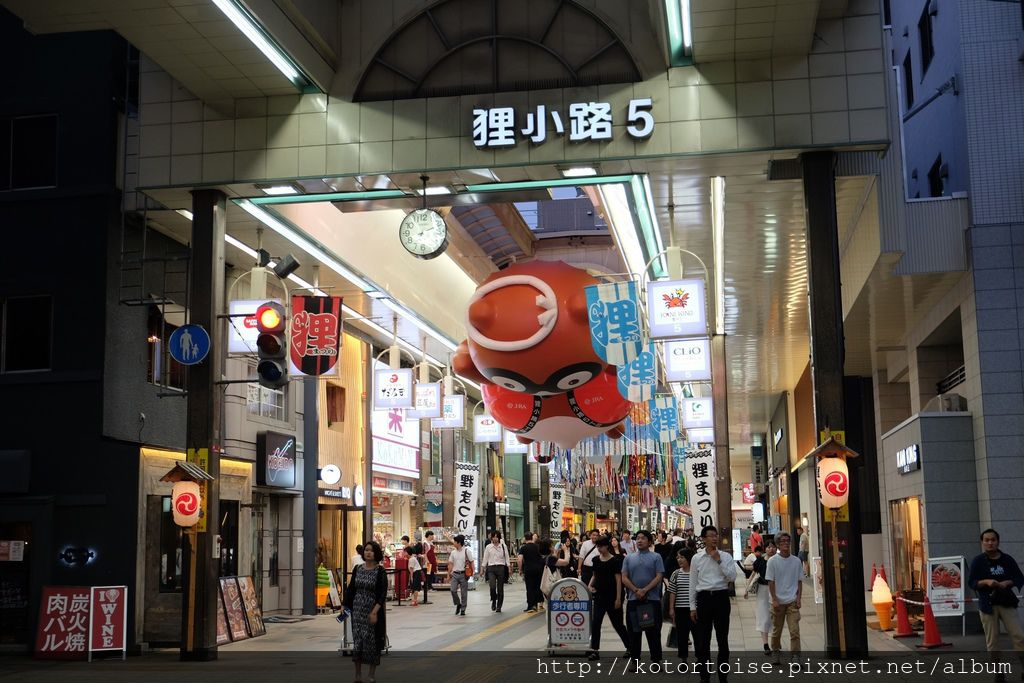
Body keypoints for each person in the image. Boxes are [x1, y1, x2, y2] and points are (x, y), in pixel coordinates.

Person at [967, 528, 1024, 676]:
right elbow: (972, 582)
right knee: (993, 641)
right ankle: (998, 673)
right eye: (987, 540)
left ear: (998, 541)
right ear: (982, 542)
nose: (990, 543)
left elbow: (1019, 578)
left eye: (993, 540)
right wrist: (986, 581)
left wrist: (1008, 582)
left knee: (1019, 636)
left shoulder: (1007, 559)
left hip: (1007, 601)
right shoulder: (978, 561)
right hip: (987, 604)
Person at [689, 525, 736, 683]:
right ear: (703, 539)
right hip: (704, 599)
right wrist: (692, 607)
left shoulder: (725, 556)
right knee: (703, 640)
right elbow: (693, 583)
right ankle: (705, 678)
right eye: (710, 535)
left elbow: (732, 577)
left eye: (715, 535)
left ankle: (723, 677)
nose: (714, 538)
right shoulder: (697, 558)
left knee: (723, 640)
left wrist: (719, 561)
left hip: (721, 598)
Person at [344, 540, 388, 683]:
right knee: (358, 642)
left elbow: (382, 593)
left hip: (372, 611)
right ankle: (357, 674)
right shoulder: (358, 568)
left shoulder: (380, 571)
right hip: (357, 610)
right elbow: (351, 589)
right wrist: (344, 606)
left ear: (376, 553)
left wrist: (375, 612)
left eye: (371, 550)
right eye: (366, 550)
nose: (368, 552)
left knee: (372, 642)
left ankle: (371, 674)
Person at [621, 530, 665, 662]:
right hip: (634, 600)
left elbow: (659, 576)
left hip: (652, 600)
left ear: (650, 541)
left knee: (653, 632)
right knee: (634, 632)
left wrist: (645, 590)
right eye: (638, 538)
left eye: (643, 538)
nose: (639, 541)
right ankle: (635, 660)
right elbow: (624, 577)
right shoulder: (629, 558)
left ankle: (656, 661)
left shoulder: (656, 557)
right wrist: (636, 590)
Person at [586, 535, 630, 660]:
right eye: (597, 546)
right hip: (599, 596)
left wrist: (618, 599)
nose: (599, 549)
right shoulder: (595, 560)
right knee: (596, 623)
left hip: (612, 597)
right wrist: (589, 586)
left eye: (601, 546)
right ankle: (595, 650)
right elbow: (595, 575)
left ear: (607, 546)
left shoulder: (615, 560)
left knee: (618, 624)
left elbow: (618, 580)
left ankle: (630, 647)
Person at [766, 532, 803, 658]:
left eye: (787, 540)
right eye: (782, 541)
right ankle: (775, 651)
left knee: (795, 631)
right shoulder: (772, 561)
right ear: (777, 544)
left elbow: (799, 581)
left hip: (792, 601)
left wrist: (798, 598)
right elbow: (771, 581)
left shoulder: (796, 561)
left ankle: (796, 655)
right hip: (777, 602)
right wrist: (774, 599)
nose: (786, 543)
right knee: (777, 631)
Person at [744, 542, 776, 655]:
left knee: (776, 617)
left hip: (776, 590)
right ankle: (766, 644)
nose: (771, 549)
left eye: (773, 547)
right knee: (763, 616)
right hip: (763, 590)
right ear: (765, 549)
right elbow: (753, 574)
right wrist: (746, 589)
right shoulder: (761, 561)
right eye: (768, 547)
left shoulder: (778, 561)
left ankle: (776, 640)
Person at [667, 547, 695, 663]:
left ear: (688, 558)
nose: (679, 560)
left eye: (682, 557)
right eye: (678, 557)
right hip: (680, 609)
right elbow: (672, 592)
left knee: (698, 635)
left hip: (694, 609)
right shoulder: (676, 573)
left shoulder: (696, 573)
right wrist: (671, 608)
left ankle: (700, 658)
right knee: (682, 635)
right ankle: (683, 659)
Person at [482, 531, 510, 612]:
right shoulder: (488, 547)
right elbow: (485, 558)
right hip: (491, 568)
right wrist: (482, 568)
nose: (495, 538)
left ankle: (499, 606)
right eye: (493, 537)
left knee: (500, 588)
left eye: (496, 537)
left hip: (501, 568)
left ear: (499, 537)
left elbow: (507, 557)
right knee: (492, 586)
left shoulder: (503, 546)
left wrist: (508, 567)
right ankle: (494, 600)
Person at [446, 534, 474, 616]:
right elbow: (450, 564)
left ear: (459, 543)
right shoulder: (453, 552)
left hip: (464, 574)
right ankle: (458, 604)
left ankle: (463, 609)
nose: (453, 543)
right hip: (455, 574)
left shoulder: (467, 551)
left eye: (455, 542)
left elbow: (471, 561)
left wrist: (473, 571)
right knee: (453, 590)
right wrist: (448, 575)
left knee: (463, 593)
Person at [519, 532, 545, 612]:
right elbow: (543, 557)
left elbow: (520, 559)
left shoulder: (523, 548)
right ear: (531, 537)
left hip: (528, 570)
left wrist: (520, 570)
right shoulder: (537, 547)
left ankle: (530, 606)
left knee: (529, 587)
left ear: (525, 538)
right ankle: (536, 605)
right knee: (537, 587)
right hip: (538, 570)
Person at [422, 531, 437, 603]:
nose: (433, 537)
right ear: (429, 536)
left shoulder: (431, 543)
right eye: (432, 535)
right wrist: (427, 561)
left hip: (432, 560)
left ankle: (430, 586)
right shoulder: (425, 543)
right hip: (428, 561)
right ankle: (428, 587)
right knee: (428, 573)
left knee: (432, 573)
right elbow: (424, 553)